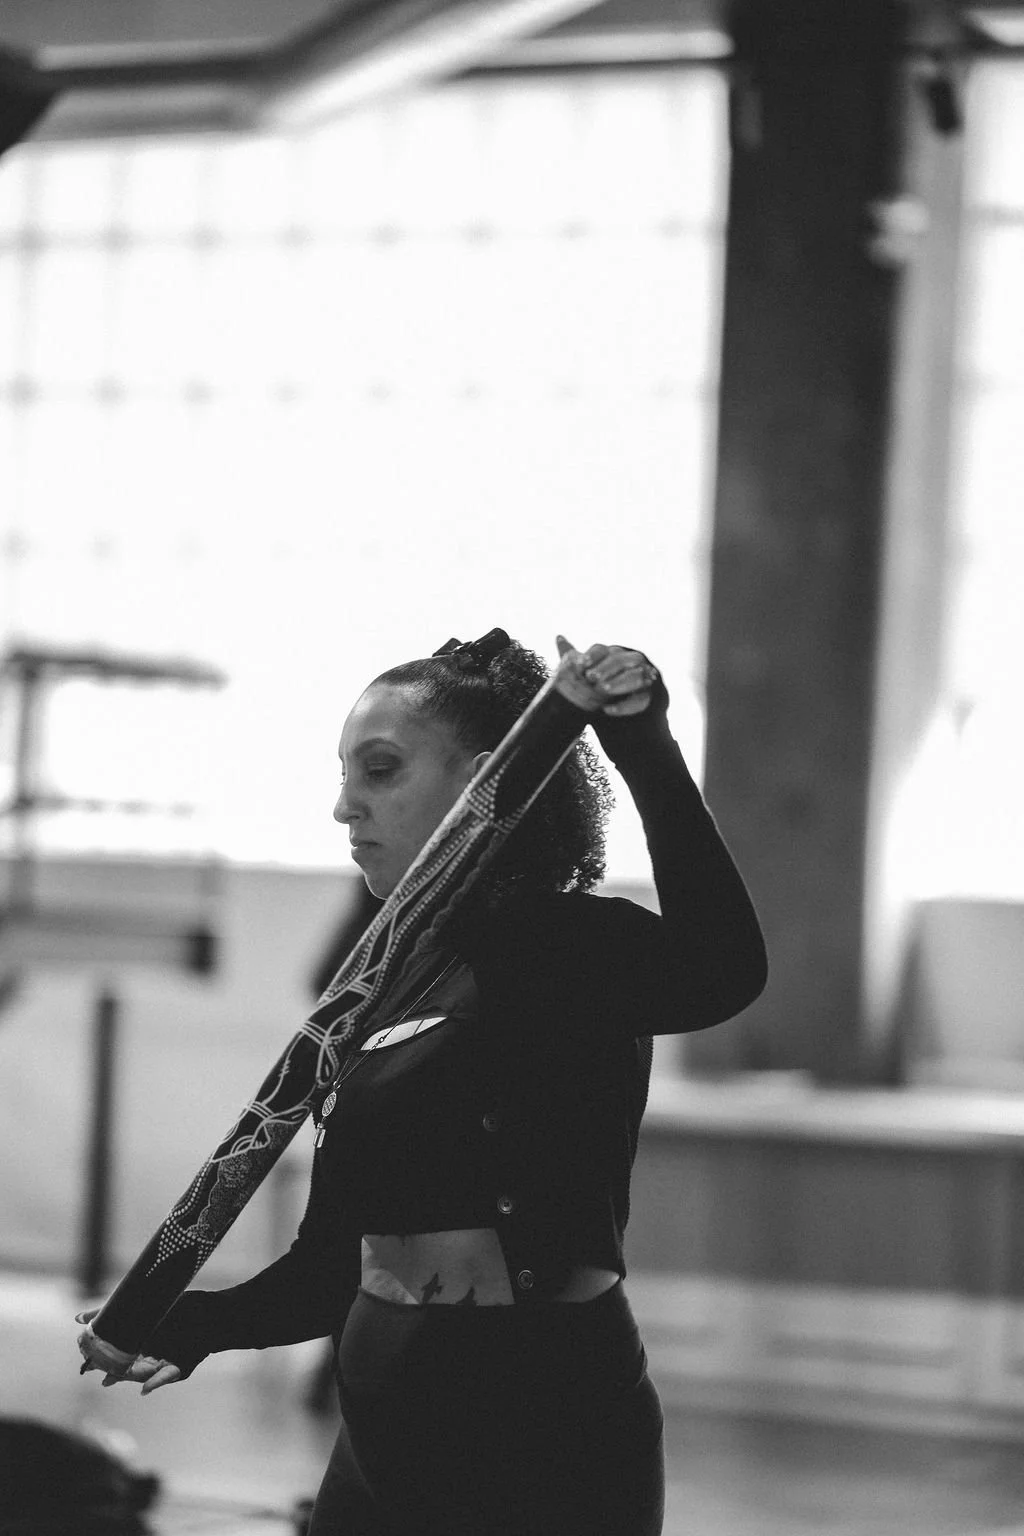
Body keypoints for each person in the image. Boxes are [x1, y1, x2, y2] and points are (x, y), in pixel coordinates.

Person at [77, 630, 767, 1536]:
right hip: (381, 1418)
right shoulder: (378, 984)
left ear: (483, 783)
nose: (344, 807)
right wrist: (192, 1324)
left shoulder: (565, 947)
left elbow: (724, 968)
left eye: (380, 770)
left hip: (538, 1419)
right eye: (344, 775)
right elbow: (332, 1270)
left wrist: (642, 743)